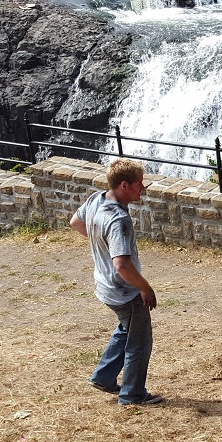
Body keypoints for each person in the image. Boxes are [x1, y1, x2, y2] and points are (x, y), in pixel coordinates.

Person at [70, 159, 163, 407]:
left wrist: (102, 242)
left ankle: (103, 377)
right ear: (124, 185)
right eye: (138, 183)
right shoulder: (118, 220)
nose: (142, 188)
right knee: (139, 342)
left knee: (127, 329)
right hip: (124, 292)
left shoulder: (96, 199)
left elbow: (75, 222)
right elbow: (121, 264)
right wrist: (145, 288)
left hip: (104, 286)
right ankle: (132, 395)